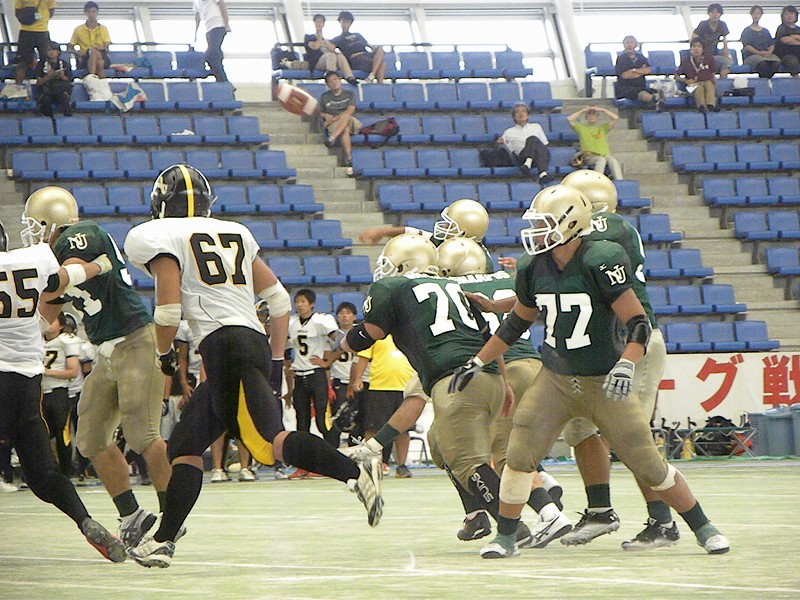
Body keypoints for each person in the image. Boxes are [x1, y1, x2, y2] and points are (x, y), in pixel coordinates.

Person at [449, 185, 730, 559]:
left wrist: (626, 363)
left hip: (602, 378)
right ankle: (505, 537)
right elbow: (516, 323)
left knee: (648, 463)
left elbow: (638, 323)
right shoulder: (533, 266)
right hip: (555, 378)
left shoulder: (601, 258)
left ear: (569, 224)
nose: (535, 232)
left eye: (544, 224)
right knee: (518, 456)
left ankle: (703, 526)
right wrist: (477, 361)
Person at [124, 164, 383, 567]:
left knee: (268, 442)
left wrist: (163, 355)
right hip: (249, 342)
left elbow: (169, 310)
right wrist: (276, 360)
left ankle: (353, 468)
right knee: (185, 445)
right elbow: (278, 301)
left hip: (223, 346)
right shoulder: (235, 232)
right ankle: (163, 540)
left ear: (160, 203)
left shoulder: (155, 235)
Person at [25, 186, 173, 550]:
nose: (33, 233)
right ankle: (132, 515)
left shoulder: (81, 234)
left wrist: (63, 275)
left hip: (136, 339)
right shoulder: (56, 260)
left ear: (52, 220)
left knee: (142, 433)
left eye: (36, 224)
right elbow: (43, 317)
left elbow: (65, 277)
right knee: (90, 436)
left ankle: (173, 517)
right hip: (106, 351)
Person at [0, 218, 126, 562]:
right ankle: (84, 520)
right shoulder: (31, 259)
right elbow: (61, 280)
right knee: (43, 474)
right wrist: (101, 264)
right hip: (27, 386)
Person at [351, 335, 415, 477]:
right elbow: (363, 357)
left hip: (406, 387)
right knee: (373, 427)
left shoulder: (409, 333)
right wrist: (358, 378)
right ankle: (369, 463)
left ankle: (402, 466)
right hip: (379, 387)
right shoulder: (377, 334)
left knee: (404, 429)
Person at [286, 288, 339, 455]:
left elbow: (340, 342)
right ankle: (305, 460)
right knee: (302, 422)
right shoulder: (291, 323)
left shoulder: (320, 321)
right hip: (299, 377)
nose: (299, 305)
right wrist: (287, 367)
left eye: (303, 301)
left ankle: (333, 456)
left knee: (322, 421)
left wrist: (327, 362)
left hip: (316, 375)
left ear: (312, 304)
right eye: (297, 302)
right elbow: (284, 348)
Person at [41, 313, 81, 476]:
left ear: (62, 325)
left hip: (58, 393)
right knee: (39, 434)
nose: (48, 324)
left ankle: (66, 473)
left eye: (53, 321)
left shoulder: (66, 341)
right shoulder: (35, 340)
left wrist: (47, 372)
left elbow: (73, 371)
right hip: (39, 393)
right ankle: (42, 472)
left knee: (62, 434)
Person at [496, 103, 551, 184]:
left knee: (534, 140)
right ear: (514, 116)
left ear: (527, 114)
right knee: (532, 139)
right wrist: (499, 142)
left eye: (523, 111)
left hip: (538, 157)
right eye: (517, 112)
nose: (521, 113)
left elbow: (544, 144)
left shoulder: (536, 126)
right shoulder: (508, 132)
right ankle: (542, 173)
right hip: (522, 157)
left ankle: (528, 164)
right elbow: (505, 149)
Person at [567, 106, 623, 180]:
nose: (592, 117)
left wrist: (603, 110)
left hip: (604, 155)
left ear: (597, 117)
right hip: (589, 156)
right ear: (586, 118)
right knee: (601, 160)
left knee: (613, 160)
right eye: (589, 115)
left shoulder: (603, 128)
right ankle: (597, 180)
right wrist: (583, 110)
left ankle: (620, 181)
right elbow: (569, 119)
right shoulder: (581, 128)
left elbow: (615, 118)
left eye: (594, 115)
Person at [12, 0, 56, 95]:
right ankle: (17, 91)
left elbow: (17, 12)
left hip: (35, 31)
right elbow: (51, 12)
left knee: (45, 61)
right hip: (32, 30)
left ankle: (46, 89)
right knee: (23, 62)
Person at [319, 70, 361, 169]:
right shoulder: (324, 97)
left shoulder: (349, 94)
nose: (334, 82)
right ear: (327, 84)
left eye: (335, 79)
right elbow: (320, 112)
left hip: (351, 121)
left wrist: (333, 119)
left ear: (340, 80)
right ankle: (349, 158)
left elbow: (350, 110)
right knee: (345, 129)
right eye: (330, 81)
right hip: (336, 124)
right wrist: (325, 115)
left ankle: (332, 138)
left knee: (346, 117)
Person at [332, 10, 386, 84]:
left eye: (348, 22)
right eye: (344, 22)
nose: (346, 24)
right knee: (382, 64)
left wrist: (377, 51)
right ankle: (378, 82)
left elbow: (369, 46)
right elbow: (331, 48)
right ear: (340, 22)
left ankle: (372, 75)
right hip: (356, 59)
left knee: (380, 49)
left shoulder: (358, 35)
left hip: (366, 55)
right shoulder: (338, 39)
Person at [305, 13, 356, 84]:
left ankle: (349, 77)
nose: (319, 23)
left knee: (340, 56)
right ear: (314, 23)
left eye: (321, 22)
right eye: (317, 21)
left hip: (330, 60)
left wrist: (325, 40)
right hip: (317, 62)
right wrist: (319, 36)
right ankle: (332, 77)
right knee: (331, 55)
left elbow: (332, 49)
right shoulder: (309, 37)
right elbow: (316, 46)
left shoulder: (326, 40)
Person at [615, 35, 662, 109]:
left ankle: (657, 101)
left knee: (655, 90)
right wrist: (640, 71)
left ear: (635, 44)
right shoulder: (621, 58)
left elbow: (648, 70)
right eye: (627, 43)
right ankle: (655, 100)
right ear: (624, 45)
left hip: (641, 86)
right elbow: (625, 75)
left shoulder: (641, 57)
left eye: (631, 42)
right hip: (626, 89)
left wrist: (634, 71)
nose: (629, 45)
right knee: (641, 93)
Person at [69, 2, 110, 79]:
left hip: (102, 56)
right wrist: (78, 53)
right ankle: (102, 84)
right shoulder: (78, 29)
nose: (91, 14)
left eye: (93, 11)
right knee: (99, 63)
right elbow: (70, 47)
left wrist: (94, 49)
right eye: (89, 12)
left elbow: (105, 47)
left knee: (94, 51)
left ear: (97, 12)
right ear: (85, 13)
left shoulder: (103, 28)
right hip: (85, 58)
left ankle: (91, 77)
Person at [676, 40, 719, 113]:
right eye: (694, 46)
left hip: (706, 83)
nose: (696, 48)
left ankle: (710, 105)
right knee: (698, 87)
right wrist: (685, 80)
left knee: (709, 83)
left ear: (702, 49)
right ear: (690, 49)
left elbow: (713, 72)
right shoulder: (686, 60)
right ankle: (701, 107)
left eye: (699, 46)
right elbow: (676, 76)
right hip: (691, 86)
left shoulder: (708, 59)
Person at [193, 0, 230, 83]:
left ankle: (224, 82)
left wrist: (226, 24)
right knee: (216, 55)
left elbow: (222, 4)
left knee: (210, 55)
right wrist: (195, 33)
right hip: (208, 28)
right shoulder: (196, 1)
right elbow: (197, 16)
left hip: (218, 25)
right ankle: (222, 83)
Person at [692, 3, 733, 78]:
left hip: (714, 54)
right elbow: (694, 38)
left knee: (727, 61)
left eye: (717, 12)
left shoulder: (722, 25)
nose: (715, 14)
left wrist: (726, 53)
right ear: (709, 13)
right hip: (702, 55)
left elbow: (725, 40)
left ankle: (722, 81)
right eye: (712, 12)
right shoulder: (703, 24)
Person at [741, 5, 782, 78]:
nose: (756, 15)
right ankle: (764, 81)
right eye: (754, 13)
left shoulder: (765, 31)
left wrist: (769, 52)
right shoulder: (746, 31)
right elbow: (747, 46)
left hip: (767, 55)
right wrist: (759, 53)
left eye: (758, 13)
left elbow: (771, 44)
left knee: (776, 62)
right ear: (751, 14)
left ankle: (768, 80)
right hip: (752, 56)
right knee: (763, 64)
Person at [35, 41, 73, 117]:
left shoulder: (64, 64)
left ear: (58, 52)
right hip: (46, 91)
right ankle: (48, 119)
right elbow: (39, 82)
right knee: (45, 100)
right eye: (49, 50)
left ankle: (68, 119)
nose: (51, 52)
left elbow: (69, 80)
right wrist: (48, 76)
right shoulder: (41, 64)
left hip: (60, 90)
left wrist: (62, 77)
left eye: (54, 50)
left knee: (64, 99)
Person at [775, 5, 800, 78]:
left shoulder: (798, 29)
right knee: (792, 62)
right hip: (786, 55)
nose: (789, 16)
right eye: (786, 14)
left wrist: (793, 37)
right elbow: (786, 40)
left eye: (791, 13)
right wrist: (797, 38)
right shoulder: (781, 28)